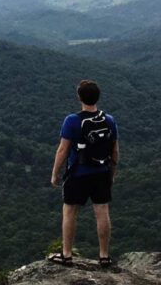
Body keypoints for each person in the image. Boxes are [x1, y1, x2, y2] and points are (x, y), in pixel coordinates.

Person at [49, 80, 119, 267]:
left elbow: (63, 150)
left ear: (79, 97)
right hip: (101, 172)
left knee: (70, 212)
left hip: (78, 173)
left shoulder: (72, 120)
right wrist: (112, 173)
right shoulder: (109, 120)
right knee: (102, 212)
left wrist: (55, 173)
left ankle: (66, 254)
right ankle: (104, 256)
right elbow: (115, 151)